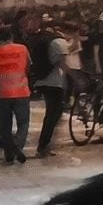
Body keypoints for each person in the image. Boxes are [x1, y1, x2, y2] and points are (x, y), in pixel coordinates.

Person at [0, 22, 33, 166]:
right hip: (21, 90)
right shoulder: (22, 48)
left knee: (5, 125)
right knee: (23, 122)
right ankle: (18, 147)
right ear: (11, 37)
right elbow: (28, 66)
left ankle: (9, 153)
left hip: (2, 93)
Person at [35, 23, 74, 157]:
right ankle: (44, 145)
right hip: (54, 83)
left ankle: (45, 144)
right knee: (53, 114)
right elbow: (63, 64)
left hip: (43, 80)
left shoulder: (47, 40)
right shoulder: (59, 41)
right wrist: (75, 78)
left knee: (52, 113)